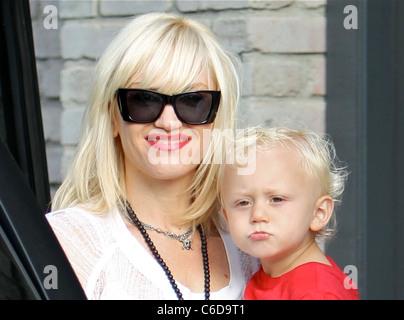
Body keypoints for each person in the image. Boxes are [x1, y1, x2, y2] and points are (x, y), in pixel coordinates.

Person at [46, 12, 259, 300]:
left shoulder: (253, 243)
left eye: (193, 101)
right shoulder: (69, 241)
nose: (169, 122)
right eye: (145, 100)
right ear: (112, 117)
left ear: (216, 119)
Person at [218, 126, 359, 300]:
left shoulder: (318, 292)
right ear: (226, 217)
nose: (257, 215)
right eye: (243, 202)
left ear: (319, 213)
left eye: (276, 199)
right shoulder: (270, 274)